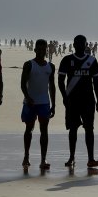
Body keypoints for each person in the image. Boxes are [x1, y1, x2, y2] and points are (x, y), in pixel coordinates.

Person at [58, 34, 98, 169]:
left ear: (85, 45)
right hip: (72, 100)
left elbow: (96, 81)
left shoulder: (92, 60)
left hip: (88, 100)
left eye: (82, 43)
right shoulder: (67, 60)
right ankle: (71, 157)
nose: (79, 45)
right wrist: (64, 97)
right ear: (73, 45)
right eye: (77, 43)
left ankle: (91, 159)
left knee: (89, 129)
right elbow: (60, 80)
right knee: (73, 129)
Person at [21, 39, 56, 170]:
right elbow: (23, 83)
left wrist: (54, 104)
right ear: (35, 50)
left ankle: (43, 159)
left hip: (44, 103)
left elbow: (52, 86)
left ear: (46, 50)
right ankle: (26, 156)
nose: (41, 51)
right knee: (28, 129)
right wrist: (27, 97)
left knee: (44, 131)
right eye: (39, 49)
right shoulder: (29, 64)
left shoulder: (50, 67)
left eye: (44, 49)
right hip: (30, 103)